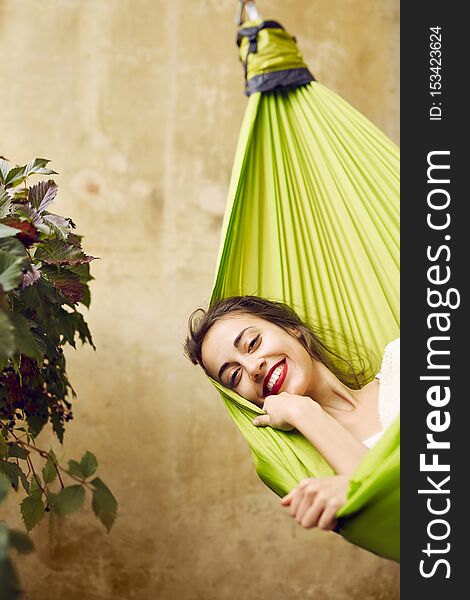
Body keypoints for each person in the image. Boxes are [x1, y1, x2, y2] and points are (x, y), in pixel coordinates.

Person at [184, 295, 400, 531]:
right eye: (234, 376)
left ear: (291, 328)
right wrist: (304, 414)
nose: (253, 368)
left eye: (253, 343)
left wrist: (355, 487)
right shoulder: (306, 469)